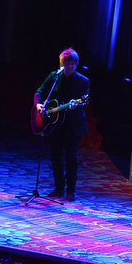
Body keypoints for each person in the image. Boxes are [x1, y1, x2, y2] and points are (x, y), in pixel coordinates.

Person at [33, 47, 90, 200]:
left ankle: (71, 190)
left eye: (72, 63)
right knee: (55, 157)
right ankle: (59, 188)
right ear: (61, 64)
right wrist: (39, 105)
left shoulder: (83, 81)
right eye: (66, 63)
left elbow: (84, 100)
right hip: (55, 125)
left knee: (71, 158)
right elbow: (39, 91)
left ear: (76, 64)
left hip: (73, 126)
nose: (69, 66)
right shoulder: (54, 77)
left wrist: (76, 105)